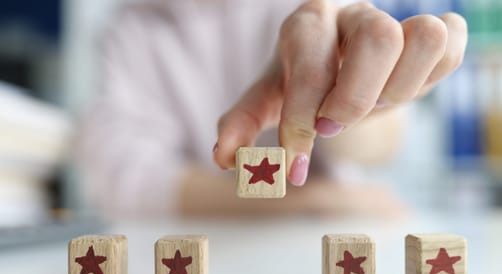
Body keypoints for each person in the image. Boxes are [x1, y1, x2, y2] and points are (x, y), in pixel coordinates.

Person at [79, 0, 467, 218]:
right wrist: (319, 203)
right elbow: (125, 183)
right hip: (198, 260)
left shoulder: (314, 8)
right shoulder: (128, 29)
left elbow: (386, 144)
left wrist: (357, 99)